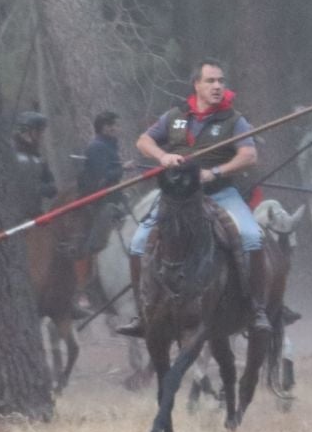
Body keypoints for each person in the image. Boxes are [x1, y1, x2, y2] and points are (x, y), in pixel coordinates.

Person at [113, 59, 270, 338]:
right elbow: (143, 141)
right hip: (178, 199)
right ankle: (143, 312)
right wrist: (163, 156)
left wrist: (216, 172)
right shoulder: (175, 116)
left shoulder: (235, 119)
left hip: (220, 193)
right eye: (210, 81)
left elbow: (249, 155)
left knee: (251, 236)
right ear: (196, 84)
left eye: (221, 81)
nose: (218, 86)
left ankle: (256, 310)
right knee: (138, 243)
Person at [74, 110, 128, 319]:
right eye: (114, 125)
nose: (117, 129)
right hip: (101, 204)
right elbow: (102, 178)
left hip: (115, 199)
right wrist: (121, 169)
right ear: (105, 127)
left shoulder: (109, 146)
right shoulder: (96, 148)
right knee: (96, 243)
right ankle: (87, 287)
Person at [12, 111, 58, 221]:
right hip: (15, 217)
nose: (41, 136)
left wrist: (48, 188)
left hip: (35, 214)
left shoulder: (38, 158)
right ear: (25, 132)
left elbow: (50, 182)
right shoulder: (11, 155)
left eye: (41, 133)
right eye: (38, 132)